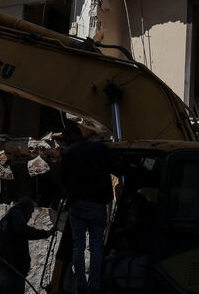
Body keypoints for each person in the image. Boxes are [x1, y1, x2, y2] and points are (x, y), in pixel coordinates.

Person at [61, 121, 112, 292]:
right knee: (96, 246)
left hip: (79, 204)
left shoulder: (69, 153)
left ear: (71, 136)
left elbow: (64, 183)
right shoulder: (101, 149)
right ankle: (95, 285)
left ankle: (81, 284)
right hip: (98, 204)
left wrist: (68, 199)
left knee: (79, 246)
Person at [0, 196, 54, 294]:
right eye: (31, 213)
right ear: (27, 208)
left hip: (0, 274)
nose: (30, 217)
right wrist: (44, 234)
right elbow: (23, 230)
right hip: (12, 272)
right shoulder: (17, 213)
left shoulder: (4, 221)